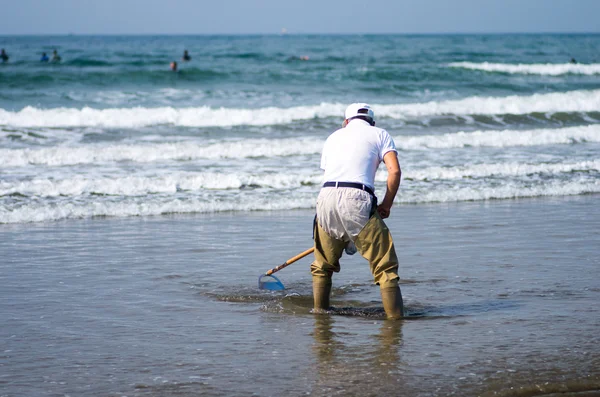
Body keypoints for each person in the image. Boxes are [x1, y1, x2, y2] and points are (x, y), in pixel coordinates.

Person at [311, 103, 404, 319]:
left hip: (325, 199)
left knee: (323, 265)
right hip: (357, 198)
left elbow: (333, 171)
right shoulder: (380, 134)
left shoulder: (333, 137)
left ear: (346, 122)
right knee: (385, 266)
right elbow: (395, 171)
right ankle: (396, 320)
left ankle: (320, 314)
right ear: (372, 122)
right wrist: (386, 204)